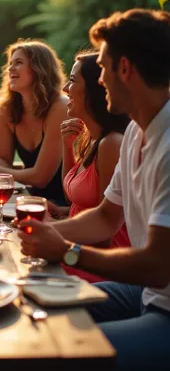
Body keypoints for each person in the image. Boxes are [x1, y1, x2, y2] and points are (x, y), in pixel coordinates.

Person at [17, 9, 170, 370]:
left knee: (59, 351)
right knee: (33, 309)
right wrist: (32, 231)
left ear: (126, 69)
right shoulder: (136, 131)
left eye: (101, 67)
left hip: (163, 306)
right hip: (147, 295)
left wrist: (68, 252)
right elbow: (104, 217)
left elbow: (158, 266)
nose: (99, 80)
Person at [54, 51, 130, 282]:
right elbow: (75, 199)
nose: (65, 89)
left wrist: (53, 232)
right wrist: (68, 146)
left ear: (96, 88)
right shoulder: (93, 138)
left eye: (73, 80)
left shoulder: (112, 144)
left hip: (103, 262)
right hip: (80, 243)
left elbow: (105, 234)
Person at [0, 40, 68, 204]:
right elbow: (2, 158)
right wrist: (3, 168)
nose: (10, 69)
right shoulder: (7, 109)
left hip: (64, 205)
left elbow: (41, 177)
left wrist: (2, 172)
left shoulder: (60, 107)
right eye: (10, 64)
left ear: (39, 70)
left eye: (18, 63)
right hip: (29, 198)